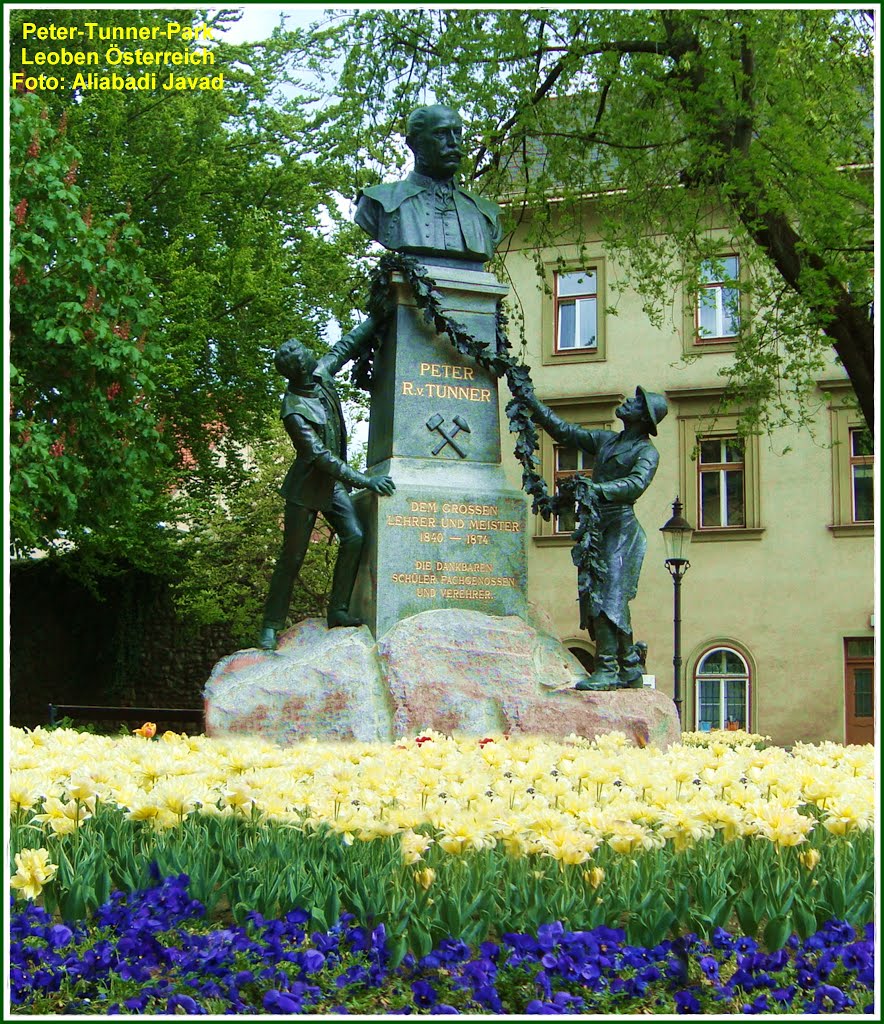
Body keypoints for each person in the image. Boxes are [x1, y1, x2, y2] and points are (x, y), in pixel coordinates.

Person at [258, 321, 395, 651]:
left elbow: (344, 347)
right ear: (298, 370)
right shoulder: (292, 410)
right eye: (306, 356)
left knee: (355, 536)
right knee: (292, 559)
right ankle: (270, 625)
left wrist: (379, 314)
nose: (311, 356)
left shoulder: (320, 373)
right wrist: (366, 481)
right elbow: (319, 457)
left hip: (331, 485)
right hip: (305, 489)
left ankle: (338, 610)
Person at [524, 386, 669, 690]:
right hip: (597, 527)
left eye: (635, 402)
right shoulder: (608, 441)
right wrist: (532, 402)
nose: (628, 401)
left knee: (608, 598)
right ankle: (629, 666)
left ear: (643, 416)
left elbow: (635, 484)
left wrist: (597, 489)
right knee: (598, 597)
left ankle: (606, 667)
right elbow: (566, 432)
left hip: (622, 530)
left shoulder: (646, 452)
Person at [354, 104, 503, 265]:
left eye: (457, 133)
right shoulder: (378, 202)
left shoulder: (486, 214)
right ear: (413, 143)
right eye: (441, 133)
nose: (453, 142)